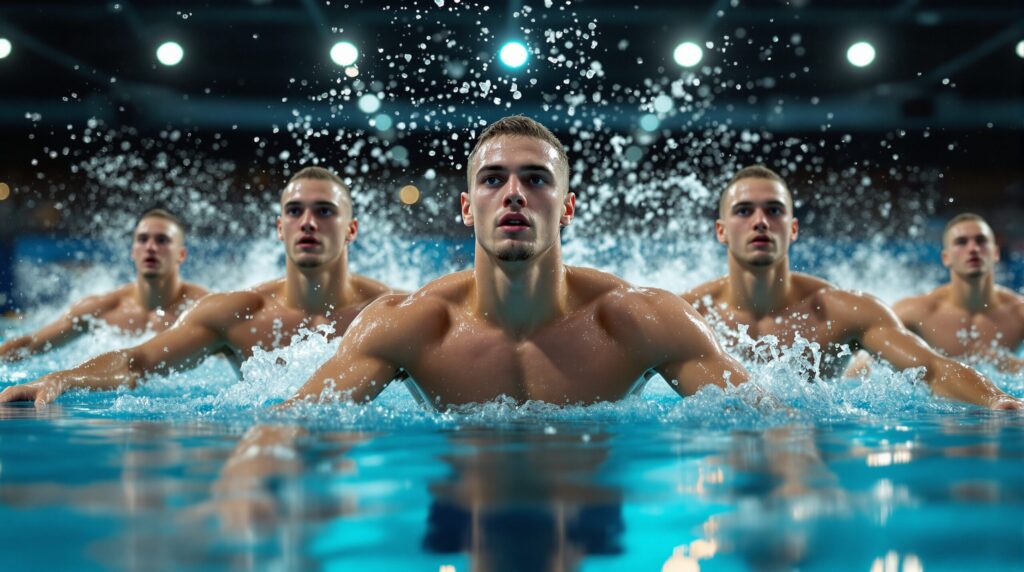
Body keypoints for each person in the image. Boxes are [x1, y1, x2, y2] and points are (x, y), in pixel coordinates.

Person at [278, 115, 749, 409]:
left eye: (537, 179)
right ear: (467, 207)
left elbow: (770, 423)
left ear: (567, 207)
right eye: (492, 180)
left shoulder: (643, 320)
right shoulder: (408, 325)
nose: (515, 196)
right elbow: (286, 429)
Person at [0, 167, 395, 406]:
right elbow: (137, 363)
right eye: (294, 211)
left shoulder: (388, 313)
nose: (308, 222)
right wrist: (62, 377)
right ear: (280, 228)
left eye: (324, 211)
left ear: (351, 229)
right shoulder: (237, 313)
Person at [682, 165, 1021, 410]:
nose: (760, 221)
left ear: (793, 228)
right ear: (721, 230)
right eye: (744, 211)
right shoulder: (688, 317)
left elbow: (931, 369)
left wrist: (998, 400)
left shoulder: (843, 311)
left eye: (774, 210)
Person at [0, 209, 208, 362]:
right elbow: (32, 344)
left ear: (181, 254)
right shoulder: (101, 308)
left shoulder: (204, 308)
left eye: (162, 240)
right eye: (142, 239)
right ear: (133, 251)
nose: (151, 247)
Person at [888, 214, 1024, 372]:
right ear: (946, 258)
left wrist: (1011, 364)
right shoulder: (916, 312)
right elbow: (864, 363)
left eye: (981, 240)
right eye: (961, 242)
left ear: (995, 253)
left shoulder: (1018, 312)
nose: (973, 248)